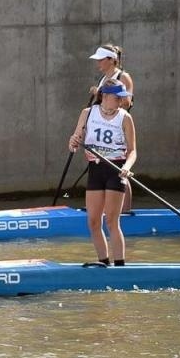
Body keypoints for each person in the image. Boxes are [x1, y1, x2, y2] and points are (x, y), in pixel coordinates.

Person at [66, 82, 138, 266]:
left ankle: (120, 265)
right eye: (117, 97)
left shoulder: (125, 117)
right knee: (93, 221)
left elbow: (132, 151)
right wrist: (73, 141)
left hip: (116, 170)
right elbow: (74, 143)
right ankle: (104, 263)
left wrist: (127, 167)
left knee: (112, 221)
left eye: (122, 98)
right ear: (105, 96)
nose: (122, 101)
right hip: (96, 169)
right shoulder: (87, 113)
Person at [89, 44, 135, 211]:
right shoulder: (104, 78)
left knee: (119, 168)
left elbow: (126, 102)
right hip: (102, 125)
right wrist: (100, 93)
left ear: (112, 60)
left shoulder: (123, 76)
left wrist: (101, 93)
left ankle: (126, 210)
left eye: (101, 60)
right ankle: (105, 208)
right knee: (107, 168)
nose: (98, 63)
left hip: (118, 126)